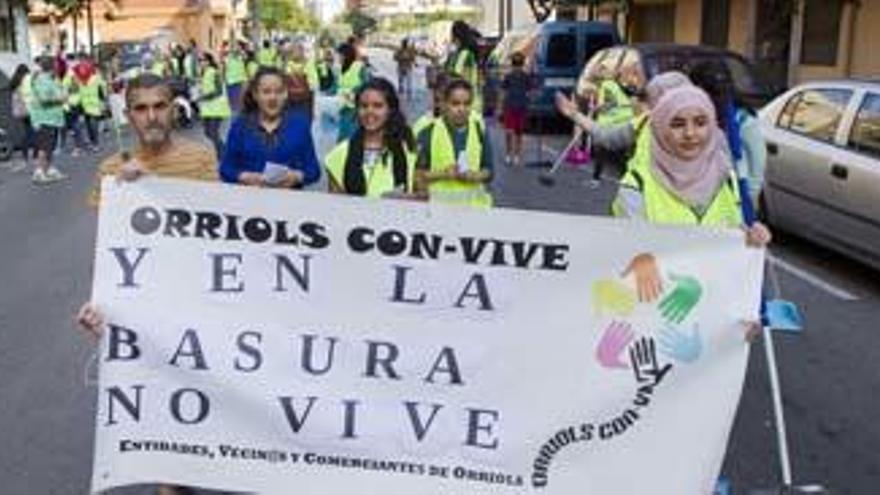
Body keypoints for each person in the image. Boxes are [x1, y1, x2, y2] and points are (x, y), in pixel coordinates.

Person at [79, 74, 217, 495]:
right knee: (162, 428)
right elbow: (110, 252)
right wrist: (97, 305)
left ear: (174, 109)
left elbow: (219, 233)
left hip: (197, 309)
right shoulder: (110, 170)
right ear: (129, 116)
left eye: (160, 106)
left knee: (200, 415)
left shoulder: (201, 158)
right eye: (141, 108)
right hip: (143, 322)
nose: (152, 116)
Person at [219, 66, 320, 189]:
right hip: (250, 201)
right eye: (266, 92)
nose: (273, 98)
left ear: (286, 94)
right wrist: (245, 177)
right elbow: (225, 169)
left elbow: (314, 170)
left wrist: (297, 176)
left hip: (289, 202)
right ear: (255, 95)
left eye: (279, 91)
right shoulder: (240, 126)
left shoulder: (300, 125)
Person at [324, 77, 418, 198]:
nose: (370, 111)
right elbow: (334, 208)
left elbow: (423, 199)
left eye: (378, 106)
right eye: (364, 106)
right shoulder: (338, 156)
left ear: (390, 110)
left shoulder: (409, 151)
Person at [688, 62, 765, 205]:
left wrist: (744, 202)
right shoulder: (695, 117)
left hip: (736, 199)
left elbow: (757, 169)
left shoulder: (744, 121)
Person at [416, 78, 493, 208]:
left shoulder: (479, 130)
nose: (461, 109)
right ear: (445, 104)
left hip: (475, 210)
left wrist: (475, 176)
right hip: (439, 211)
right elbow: (417, 176)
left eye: (467, 104)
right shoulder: (428, 133)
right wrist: (443, 174)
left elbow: (489, 170)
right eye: (455, 104)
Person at [29, 56, 68, 184]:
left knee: (50, 146)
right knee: (44, 147)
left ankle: (49, 169)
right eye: (56, 65)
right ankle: (39, 172)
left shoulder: (51, 79)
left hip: (53, 118)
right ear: (52, 66)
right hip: (44, 118)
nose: (58, 67)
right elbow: (44, 98)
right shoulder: (42, 79)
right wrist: (60, 98)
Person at [197, 52, 231, 159]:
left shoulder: (215, 72)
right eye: (200, 60)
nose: (201, 62)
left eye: (203, 60)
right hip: (207, 108)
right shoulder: (204, 72)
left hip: (217, 109)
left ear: (209, 61)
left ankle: (223, 155)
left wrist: (204, 97)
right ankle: (224, 151)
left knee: (213, 133)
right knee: (207, 132)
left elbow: (219, 91)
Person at [499, 52, 530, 166]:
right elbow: (529, 92)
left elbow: (502, 92)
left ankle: (509, 155)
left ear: (512, 64)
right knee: (519, 133)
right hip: (521, 106)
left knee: (509, 132)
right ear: (522, 64)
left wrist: (499, 107)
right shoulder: (526, 76)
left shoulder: (508, 76)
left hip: (510, 106)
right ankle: (516, 155)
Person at [445, 20, 482, 112]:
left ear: (455, 35)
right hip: (463, 102)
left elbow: (456, 76)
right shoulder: (458, 54)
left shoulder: (465, 55)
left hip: (466, 104)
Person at [336, 42, 368, 142]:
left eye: (340, 55)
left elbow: (367, 85)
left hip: (355, 108)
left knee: (353, 135)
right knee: (343, 135)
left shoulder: (359, 67)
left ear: (346, 55)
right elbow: (338, 86)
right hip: (342, 107)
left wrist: (354, 92)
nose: (338, 58)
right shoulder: (340, 69)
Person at [78, 56, 107, 152]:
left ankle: (94, 143)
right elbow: (102, 90)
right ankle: (94, 142)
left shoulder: (85, 78)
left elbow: (101, 90)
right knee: (90, 125)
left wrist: (103, 100)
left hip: (89, 104)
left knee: (90, 124)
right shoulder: (92, 78)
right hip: (88, 104)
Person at [9, 64, 35, 171]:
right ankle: (33, 154)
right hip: (29, 109)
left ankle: (25, 155)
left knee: (27, 131)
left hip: (20, 112)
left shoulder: (14, 82)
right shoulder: (26, 82)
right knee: (32, 132)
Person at [224, 43, 248, 113]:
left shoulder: (240, 58)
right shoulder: (230, 59)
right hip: (233, 83)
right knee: (235, 104)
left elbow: (224, 69)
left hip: (236, 83)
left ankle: (236, 116)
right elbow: (224, 69)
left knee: (235, 104)